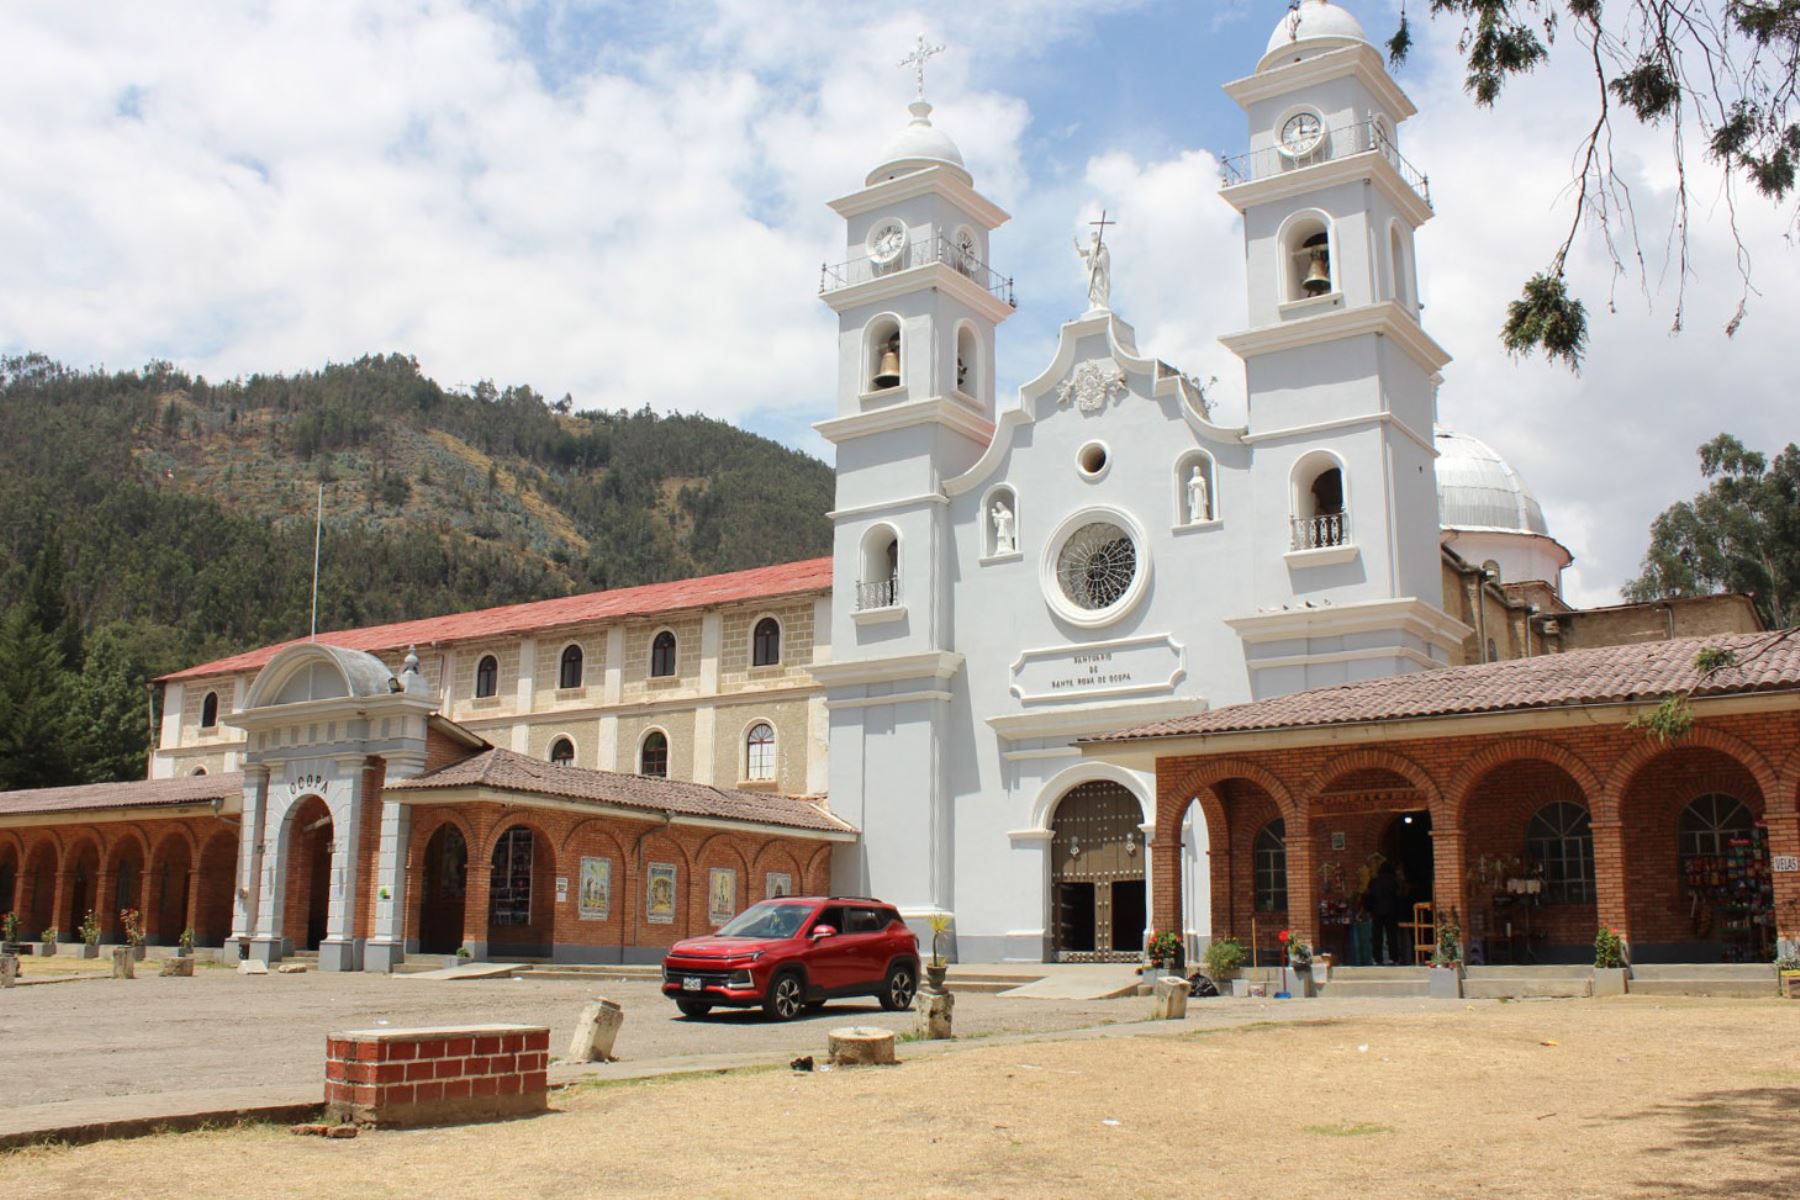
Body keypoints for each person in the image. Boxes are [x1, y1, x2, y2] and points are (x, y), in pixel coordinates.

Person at [1365, 861, 1403, 966]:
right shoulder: (1394, 882)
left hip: (1376, 912)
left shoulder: (1374, 882)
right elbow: (1398, 897)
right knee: (1392, 935)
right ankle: (1393, 958)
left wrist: (1369, 910)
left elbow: (1369, 897)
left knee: (1377, 936)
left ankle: (1377, 959)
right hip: (1391, 912)